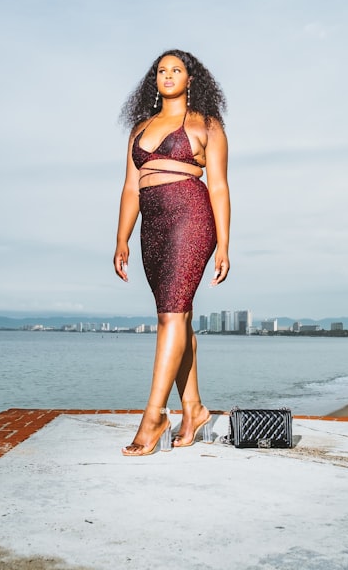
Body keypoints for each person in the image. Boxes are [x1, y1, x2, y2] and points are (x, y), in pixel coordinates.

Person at [114, 49, 230, 456]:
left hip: (192, 218)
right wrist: (121, 238)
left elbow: (218, 187)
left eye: (176, 70)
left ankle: (153, 416)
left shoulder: (206, 125)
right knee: (178, 317)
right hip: (153, 224)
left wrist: (225, 245)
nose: (167, 75)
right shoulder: (139, 128)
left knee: (170, 315)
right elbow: (131, 187)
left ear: (191, 78)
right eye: (161, 70)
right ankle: (194, 408)